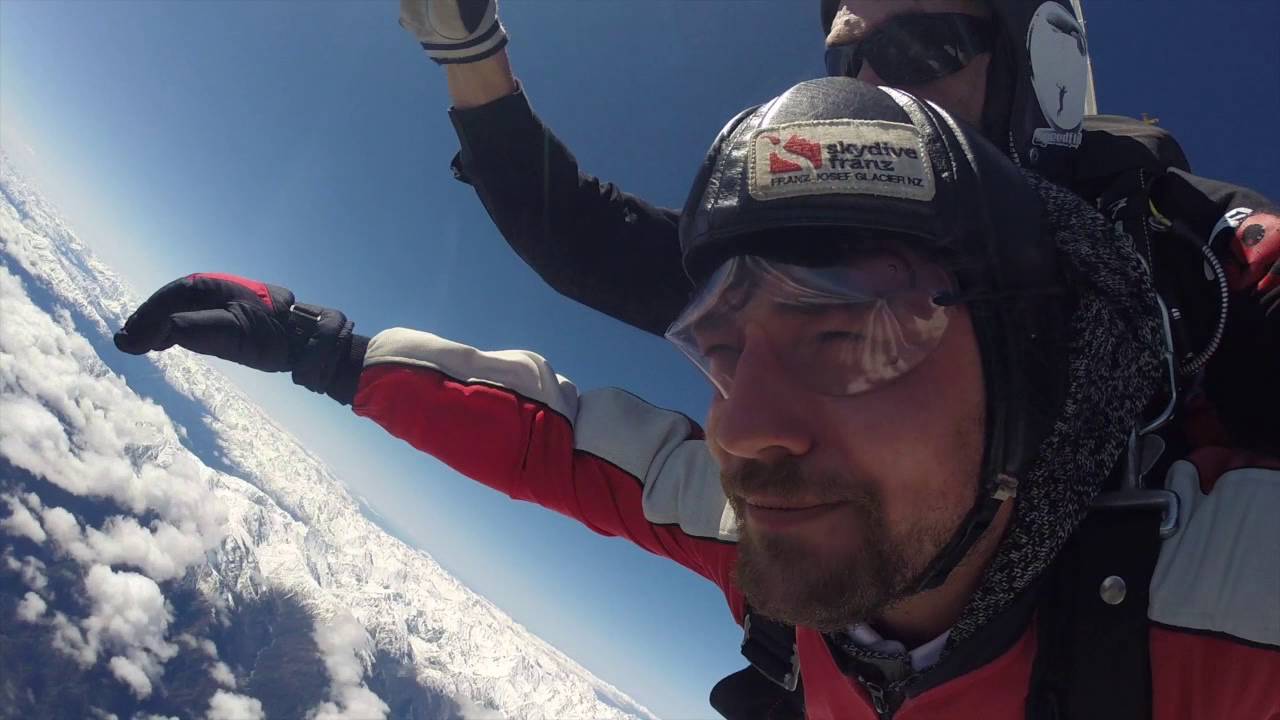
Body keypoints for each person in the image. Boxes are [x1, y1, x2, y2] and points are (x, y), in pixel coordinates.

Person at [115, 78, 1280, 719]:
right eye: (721, 347)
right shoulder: (803, 548)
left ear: (1037, 368)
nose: (735, 425)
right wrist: (320, 350)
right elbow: (558, 442)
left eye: (849, 335)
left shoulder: (1222, 605)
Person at [401, 0, 1280, 454]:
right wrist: (470, 50)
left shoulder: (1186, 258)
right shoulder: (800, 273)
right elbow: (583, 239)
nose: (868, 89)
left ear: (1040, 67)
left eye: (920, 54)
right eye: (846, 57)